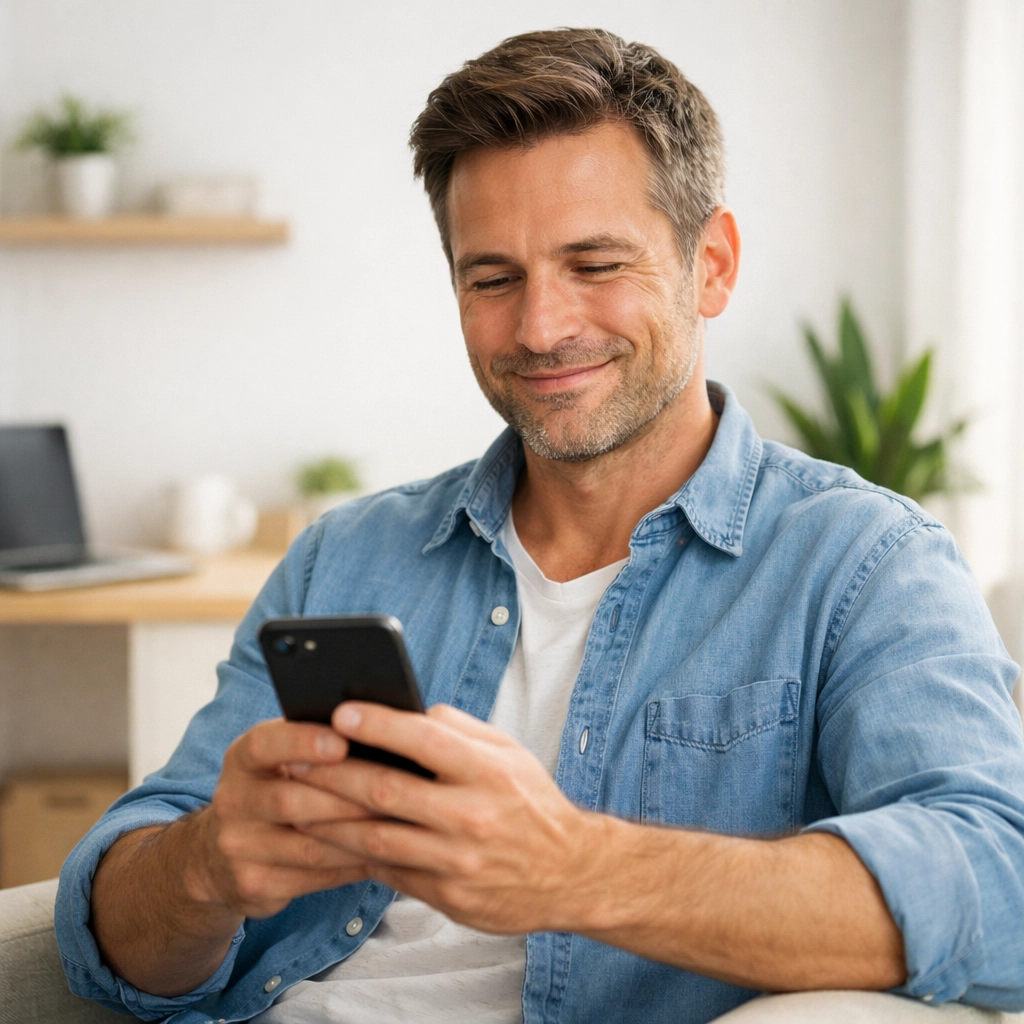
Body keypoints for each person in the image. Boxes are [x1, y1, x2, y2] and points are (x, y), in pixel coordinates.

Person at [57, 28, 1024, 1024]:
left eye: (596, 263)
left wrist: (578, 868)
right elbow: (111, 934)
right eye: (492, 279)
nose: (539, 328)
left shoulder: (863, 562)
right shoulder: (347, 557)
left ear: (713, 267)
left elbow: (1003, 890)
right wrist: (208, 865)